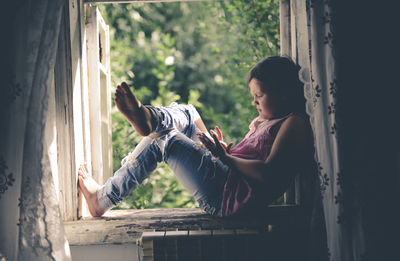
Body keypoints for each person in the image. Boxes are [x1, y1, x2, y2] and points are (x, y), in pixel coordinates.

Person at [78, 56, 313, 218]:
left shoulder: (294, 123)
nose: (254, 102)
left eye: (259, 96)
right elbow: (252, 160)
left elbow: (268, 174)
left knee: (165, 141)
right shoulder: (271, 120)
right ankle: (148, 117)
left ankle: (102, 200)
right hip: (226, 175)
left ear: (283, 94)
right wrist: (224, 152)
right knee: (189, 113)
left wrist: (226, 158)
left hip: (225, 196)